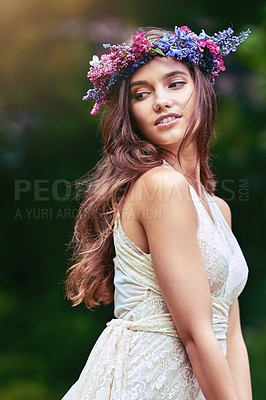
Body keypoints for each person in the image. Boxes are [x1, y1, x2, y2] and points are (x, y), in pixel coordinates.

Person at [62, 25, 252, 399]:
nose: (161, 101)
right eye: (142, 94)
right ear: (131, 115)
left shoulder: (219, 209)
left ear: (203, 93)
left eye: (175, 84)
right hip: (146, 381)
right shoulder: (160, 187)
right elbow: (195, 334)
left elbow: (230, 334)